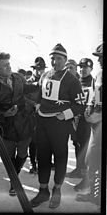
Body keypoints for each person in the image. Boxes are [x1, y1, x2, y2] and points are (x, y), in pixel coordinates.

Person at [30, 43, 85, 209]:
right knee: (43, 156)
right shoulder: (45, 74)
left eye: (59, 59)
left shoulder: (72, 80)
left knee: (60, 156)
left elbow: (80, 104)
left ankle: (57, 190)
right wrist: (38, 105)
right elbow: (40, 94)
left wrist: (66, 114)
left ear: (65, 60)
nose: (55, 62)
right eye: (52, 58)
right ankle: (43, 190)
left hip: (59, 123)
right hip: (42, 121)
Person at [0, 52, 38, 196]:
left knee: (22, 155)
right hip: (7, 129)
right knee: (9, 158)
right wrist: (4, 114)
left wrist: (41, 83)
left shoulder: (18, 77)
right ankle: (14, 182)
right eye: (5, 65)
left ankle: (13, 181)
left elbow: (28, 89)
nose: (9, 67)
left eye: (9, 64)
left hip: (25, 126)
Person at [76, 43, 103, 207]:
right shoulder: (100, 75)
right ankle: (95, 194)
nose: (99, 60)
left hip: (100, 123)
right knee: (91, 160)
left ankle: (99, 197)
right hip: (95, 125)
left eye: (101, 57)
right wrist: (89, 109)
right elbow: (94, 96)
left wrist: (99, 116)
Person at [66, 58, 95, 191]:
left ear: (91, 69)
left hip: (88, 120)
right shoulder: (76, 82)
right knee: (77, 143)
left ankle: (86, 177)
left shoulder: (95, 82)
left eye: (85, 67)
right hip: (76, 118)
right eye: (81, 67)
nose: (82, 70)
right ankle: (79, 169)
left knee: (86, 146)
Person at [26, 57, 47, 174]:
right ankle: (32, 163)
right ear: (34, 69)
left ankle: (41, 163)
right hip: (31, 116)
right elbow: (23, 98)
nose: (40, 71)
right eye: (38, 69)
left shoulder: (47, 82)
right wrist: (34, 104)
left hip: (44, 116)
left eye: (42, 69)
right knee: (33, 142)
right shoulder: (28, 82)